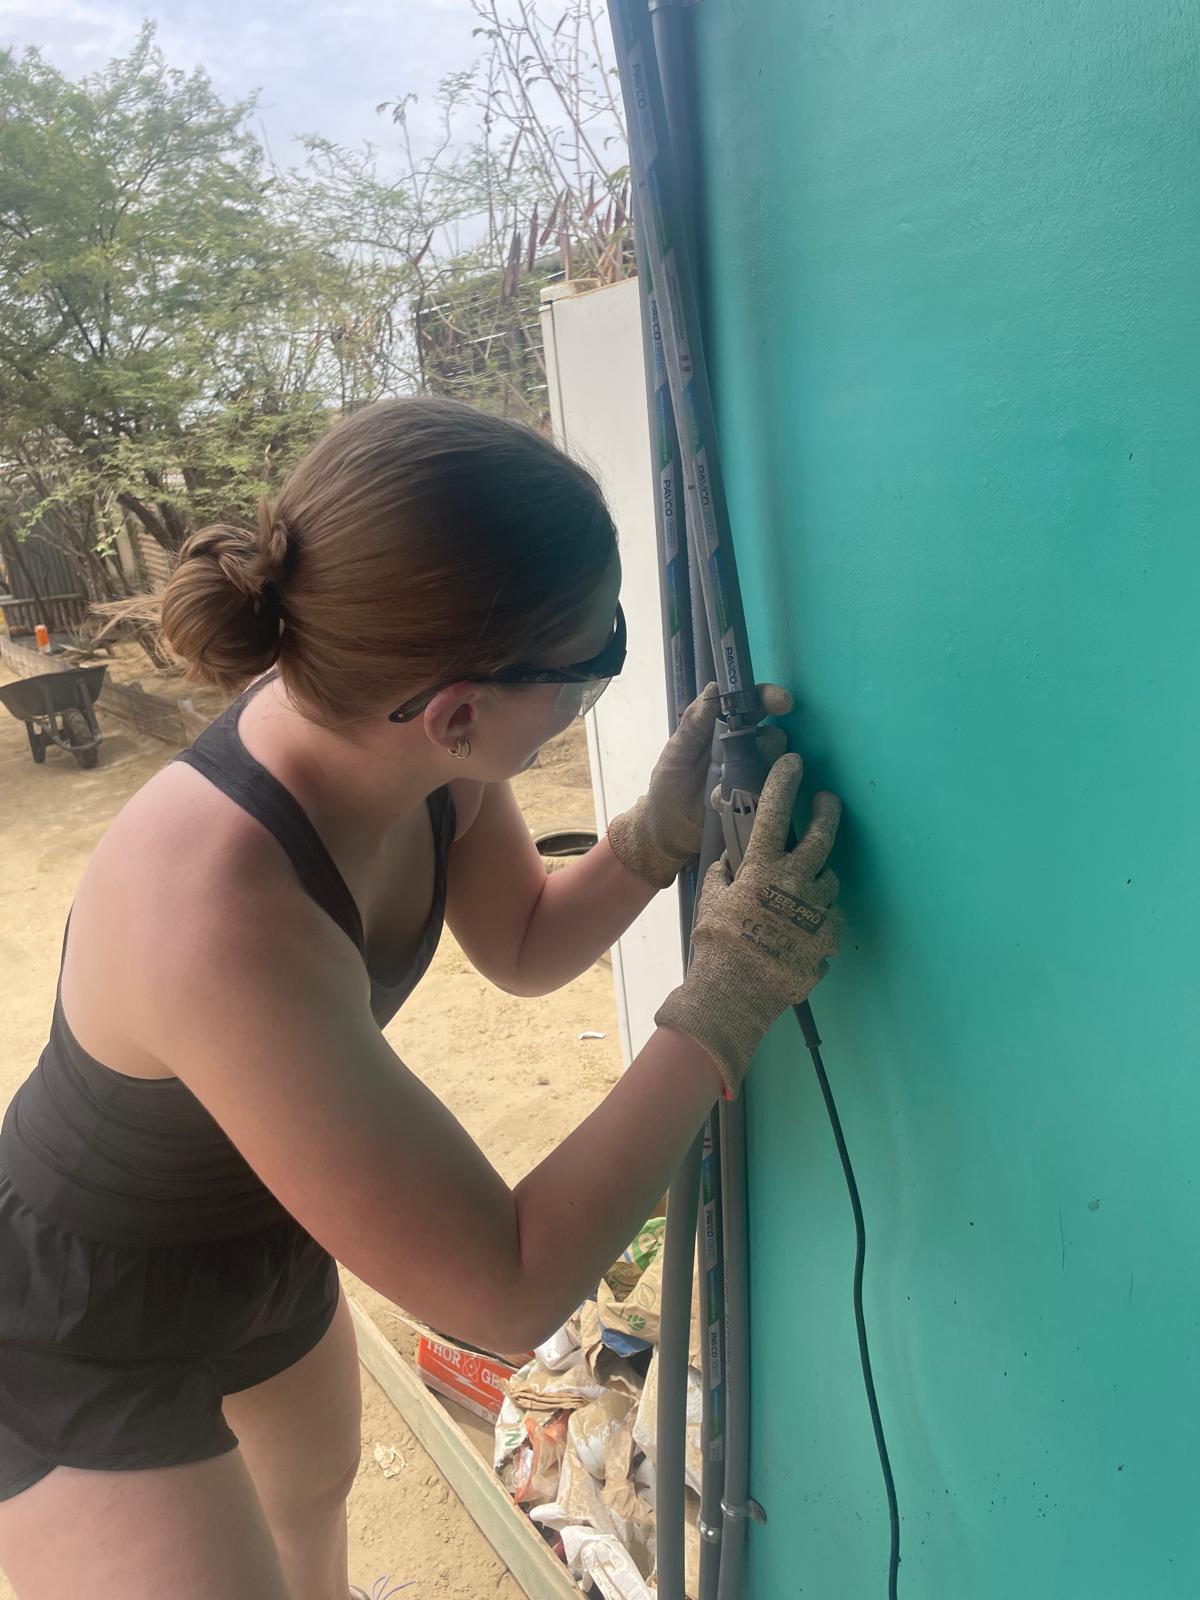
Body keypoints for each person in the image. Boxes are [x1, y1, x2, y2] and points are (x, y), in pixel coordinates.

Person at [0, 398, 843, 1600]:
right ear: (458, 710)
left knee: (310, 1528)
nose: (600, 680)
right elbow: (507, 1288)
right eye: (593, 663)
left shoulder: (409, 737)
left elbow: (523, 940)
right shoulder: (216, 910)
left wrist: (649, 843)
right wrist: (730, 993)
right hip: (84, 1313)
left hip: (261, 1225)